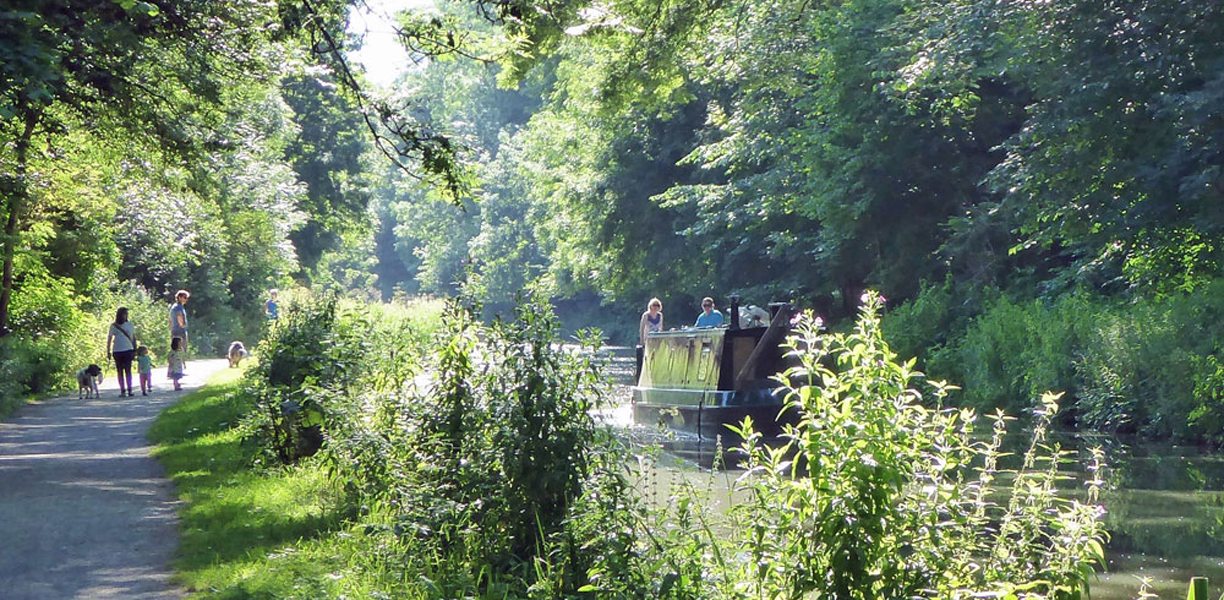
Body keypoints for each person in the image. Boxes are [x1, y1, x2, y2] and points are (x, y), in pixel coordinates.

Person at [106, 307, 138, 398]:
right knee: (120, 371)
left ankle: (130, 389)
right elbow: (109, 338)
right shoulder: (114, 326)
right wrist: (108, 351)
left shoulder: (130, 324)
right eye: (125, 314)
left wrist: (135, 349)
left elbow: (133, 337)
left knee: (128, 370)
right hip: (117, 350)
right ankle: (122, 390)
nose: (126, 315)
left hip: (128, 349)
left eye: (127, 314)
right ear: (120, 315)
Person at [169, 289, 190, 358]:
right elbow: (179, 316)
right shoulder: (178, 307)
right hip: (180, 331)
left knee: (175, 348)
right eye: (185, 297)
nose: (186, 299)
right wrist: (183, 325)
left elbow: (170, 319)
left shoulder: (174, 307)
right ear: (179, 297)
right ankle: (180, 362)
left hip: (174, 330)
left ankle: (175, 361)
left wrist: (170, 328)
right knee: (182, 347)